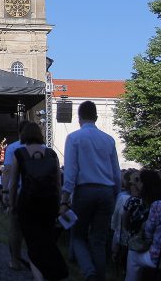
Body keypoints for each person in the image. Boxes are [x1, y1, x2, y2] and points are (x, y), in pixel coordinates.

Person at [60, 100, 121, 281]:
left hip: (85, 191)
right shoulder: (109, 140)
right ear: (96, 117)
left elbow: (71, 172)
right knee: (99, 239)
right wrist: (115, 193)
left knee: (78, 235)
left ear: (79, 118)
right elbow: (116, 172)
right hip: (107, 192)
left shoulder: (74, 138)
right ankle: (99, 276)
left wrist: (64, 199)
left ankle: (89, 272)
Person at [9, 122, 68, 281]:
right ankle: (50, 272)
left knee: (32, 243)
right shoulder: (52, 154)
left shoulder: (19, 153)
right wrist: (59, 204)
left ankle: (39, 276)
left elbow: (13, 182)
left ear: (24, 135)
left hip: (27, 203)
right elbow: (57, 183)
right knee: (46, 241)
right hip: (49, 204)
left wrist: (12, 204)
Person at [2, 120, 29, 271]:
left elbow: (7, 171)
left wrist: (5, 192)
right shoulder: (45, 148)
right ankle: (36, 262)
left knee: (15, 228)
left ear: (19, 132)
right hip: (37, 194)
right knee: (35, 229)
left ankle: (15, 261)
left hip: (17, 193)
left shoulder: (13, 147)